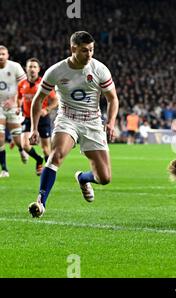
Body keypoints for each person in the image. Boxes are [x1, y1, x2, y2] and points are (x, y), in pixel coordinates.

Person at [27, 31, 119, 218]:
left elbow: (112, 99)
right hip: (67, 119)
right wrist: (33, 128)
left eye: (92, 50)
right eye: (85, 50)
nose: (89, 54)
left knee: (105, 178)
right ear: (73, 48)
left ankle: (83, 178)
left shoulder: (99, 69)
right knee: (56, 155)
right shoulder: (57, 71)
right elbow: (38, 100)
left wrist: (110, 122)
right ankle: (41, 202)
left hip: (93, 122)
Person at [17, 58, 58, 175]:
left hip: (42, 119)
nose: (32, 69)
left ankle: (49, 173)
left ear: (39, 69)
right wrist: (17, 106)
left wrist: (47, 109)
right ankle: (38, 159)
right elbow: (19, 97)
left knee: (46, 149)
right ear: (26, 69)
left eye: (35, 67)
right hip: (27, 117)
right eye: (30, 67)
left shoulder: (43, 85)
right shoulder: (21, 84)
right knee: (25, 145)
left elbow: (55, 100)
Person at [0, 45, 27, 178]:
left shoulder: (15, 67)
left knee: (17, 139)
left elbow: (24, 85)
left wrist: (13, 99)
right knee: (0, 137)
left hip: (13, 106)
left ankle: (21, 150)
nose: (0, 56)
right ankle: (4, 169)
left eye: (3, 54)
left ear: (7, 55)